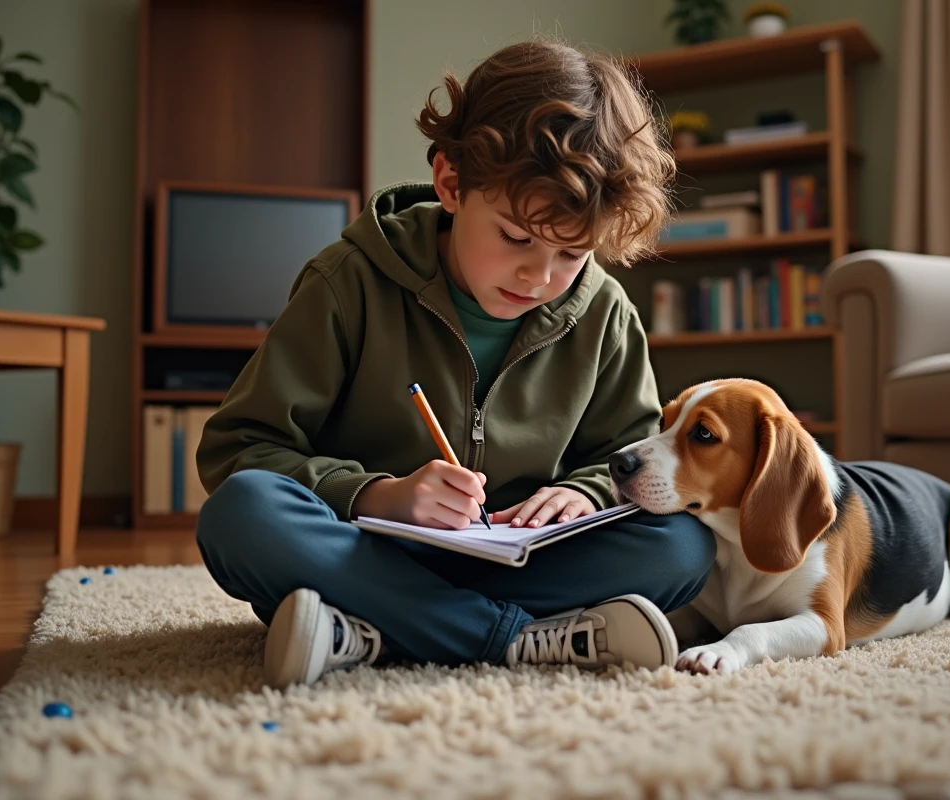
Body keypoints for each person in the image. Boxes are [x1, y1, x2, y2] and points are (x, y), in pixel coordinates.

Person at [193, 38, 716, 688]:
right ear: (451, 183)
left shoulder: (605, 314)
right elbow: (240, 450)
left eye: (572, 253)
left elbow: (629, 455)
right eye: (516, 237)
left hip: (528, 563)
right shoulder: (346, 283)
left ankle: (368, 632)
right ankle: (516, 640)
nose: (539, 274)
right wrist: (377, 496)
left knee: (685, 546)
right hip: (367, 551)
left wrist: (582, 492)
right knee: (242, 514)